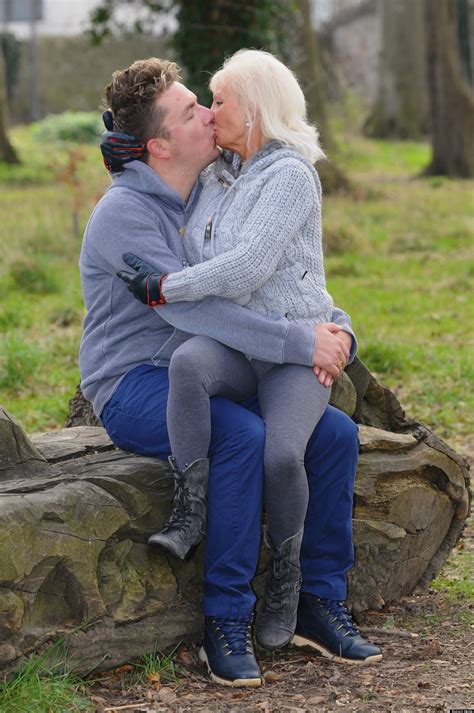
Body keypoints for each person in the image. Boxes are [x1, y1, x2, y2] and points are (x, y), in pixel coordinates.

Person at [80, 57, 381, 689]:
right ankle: (227, 616)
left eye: (208, 102)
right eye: (193, 110)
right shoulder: (125, 216)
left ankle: (317, 601)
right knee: (241, 439)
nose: (209, 114)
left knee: (334, 438)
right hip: (136, 382)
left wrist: (336, 325)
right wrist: (305, 343)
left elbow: (278, 273)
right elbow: (204, 310)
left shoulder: (221, 179)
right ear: (160, 144)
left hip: (226, 368)